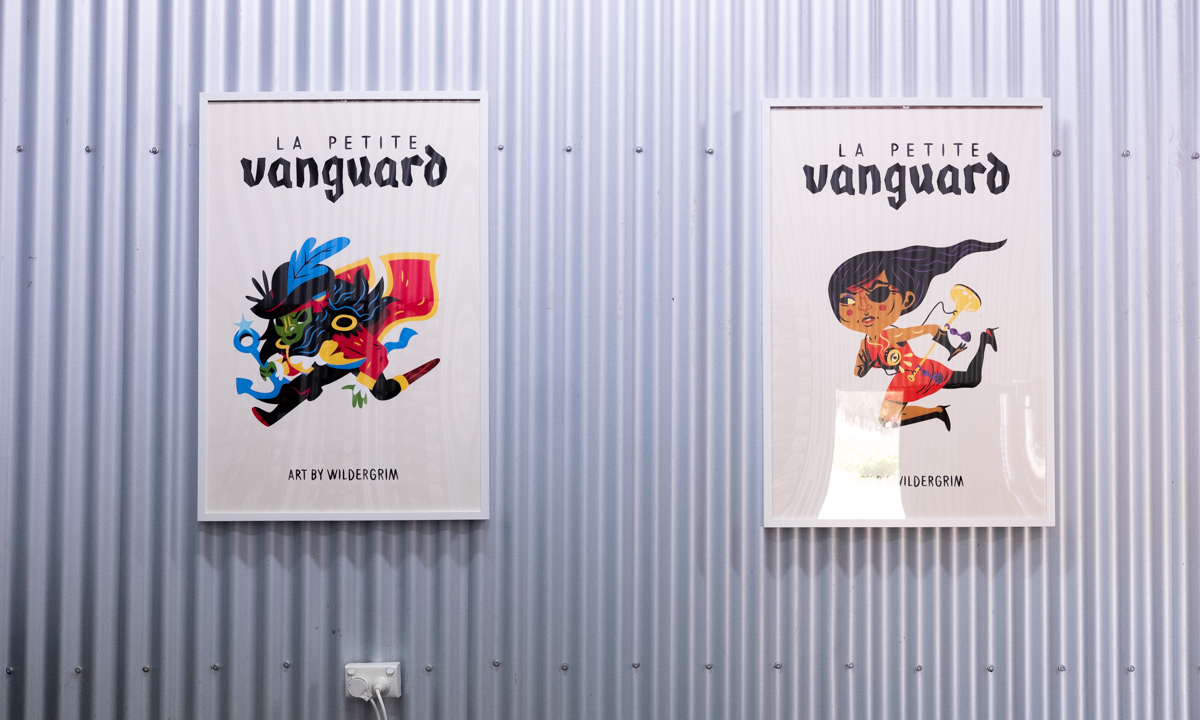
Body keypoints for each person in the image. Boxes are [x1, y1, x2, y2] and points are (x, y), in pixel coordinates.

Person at [826, 239, 1005, 431]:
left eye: (878, 294)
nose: (863, 307)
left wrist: (950, 348)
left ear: (907, 300)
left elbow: (931, 329)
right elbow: (858, 373)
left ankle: (984, 340)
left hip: (921, 372)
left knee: (971, 379)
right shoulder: (865, 346)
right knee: (887, 420)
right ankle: (937, 411)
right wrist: (864, 362)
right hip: (903, 381)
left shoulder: (892, 335)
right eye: (848, 300)